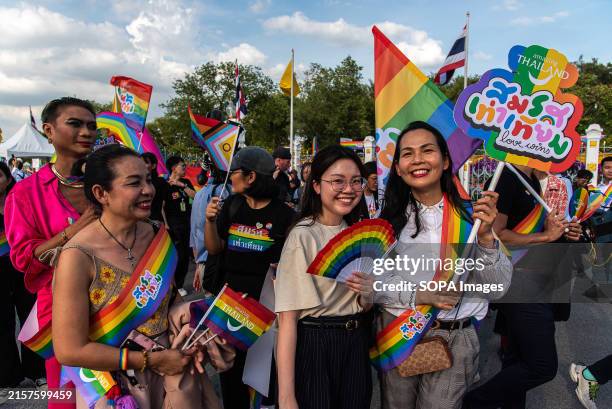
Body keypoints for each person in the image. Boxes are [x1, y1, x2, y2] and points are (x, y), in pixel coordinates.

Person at [52, 144, 225, 409]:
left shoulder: (157, 234)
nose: (149, 189)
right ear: (101, 194)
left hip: (173, 371)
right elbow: (69, 349)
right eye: (134, 183)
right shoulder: (77, 256)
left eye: (147, 179)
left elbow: (169, 302)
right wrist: (150, 360)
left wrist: (203, 317)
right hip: (113, 383)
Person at [368, 121, 511, 409]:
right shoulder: (387, 223)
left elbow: (498, 289)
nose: (417, 160)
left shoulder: (473, 218)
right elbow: (371, 287)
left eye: (427, 150)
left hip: (456, 338)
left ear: (445, 161)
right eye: (407, 154)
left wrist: (485, 238)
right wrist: (421, 296)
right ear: (397, 167)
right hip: (401, 332)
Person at [4, 97, 99, 409]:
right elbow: (23, 258)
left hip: (117, 307)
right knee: (67, 398)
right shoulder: (26, 192)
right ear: (48, 130)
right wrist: (76, 228)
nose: (86, 131)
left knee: (121, 397)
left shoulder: (107, 185)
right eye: (75, 124)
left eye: (91, 126)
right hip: (61, 314)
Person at [463, 163, 582, 409]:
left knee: (517, 358)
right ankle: (473, 403)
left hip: (537, 280)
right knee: (542, 366)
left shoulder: (531, 180)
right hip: (519, 284)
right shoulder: (505, 178)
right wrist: (546, 237)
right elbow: (495, 234)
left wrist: (562, 232)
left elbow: (533, 230)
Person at [275, 145, 372, 409]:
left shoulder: (359, 233)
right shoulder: (303, 235)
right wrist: (286, 398)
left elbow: (365, 304)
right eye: (337, 181)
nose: (348, 189)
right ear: (316, 185)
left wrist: (368, 292)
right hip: (315, 344)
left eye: (356, 181)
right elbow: (287, 321)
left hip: (355, 343)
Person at [206, 146, 295, 408]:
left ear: (251, 177)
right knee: (230, 375)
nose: (229, 177)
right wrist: (209, 221)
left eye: (233, 173)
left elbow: (287, 267)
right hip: (230, 306)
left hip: (266, 310)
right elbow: (214, 249)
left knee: (264, 378)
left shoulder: (285, 216)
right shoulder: (232, 206)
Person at [0, 162, 45, 396]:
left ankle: (37, 372)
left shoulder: (19, 203)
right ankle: (8, 376)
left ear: (8, 178)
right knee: (3, 322)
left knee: (29, 319)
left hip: (23, 268)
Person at [190, 164, 231, 295]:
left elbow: (194, 233)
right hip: (221, 265)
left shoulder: (199, 194)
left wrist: (198, 264)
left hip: (203, 263)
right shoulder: (226, 192)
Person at [162, 155, 196, 293]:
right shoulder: (165, 185)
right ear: (173, 168)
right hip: (174, 226)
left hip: (187, 223)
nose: (185, 168)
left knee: (186, 256)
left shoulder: (185, 181)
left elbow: (195, 196)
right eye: (182, 166)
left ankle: (180, 284)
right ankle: (174, 286)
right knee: (178, 256)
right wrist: (166, 224)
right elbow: (161, 207)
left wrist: (182, 185)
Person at [141, 152, 168, 223]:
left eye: (145, 163)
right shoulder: (137, 181)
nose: (141, 165)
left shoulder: (160, 182)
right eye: (140, 162)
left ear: (153, 166)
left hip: (154, 221)